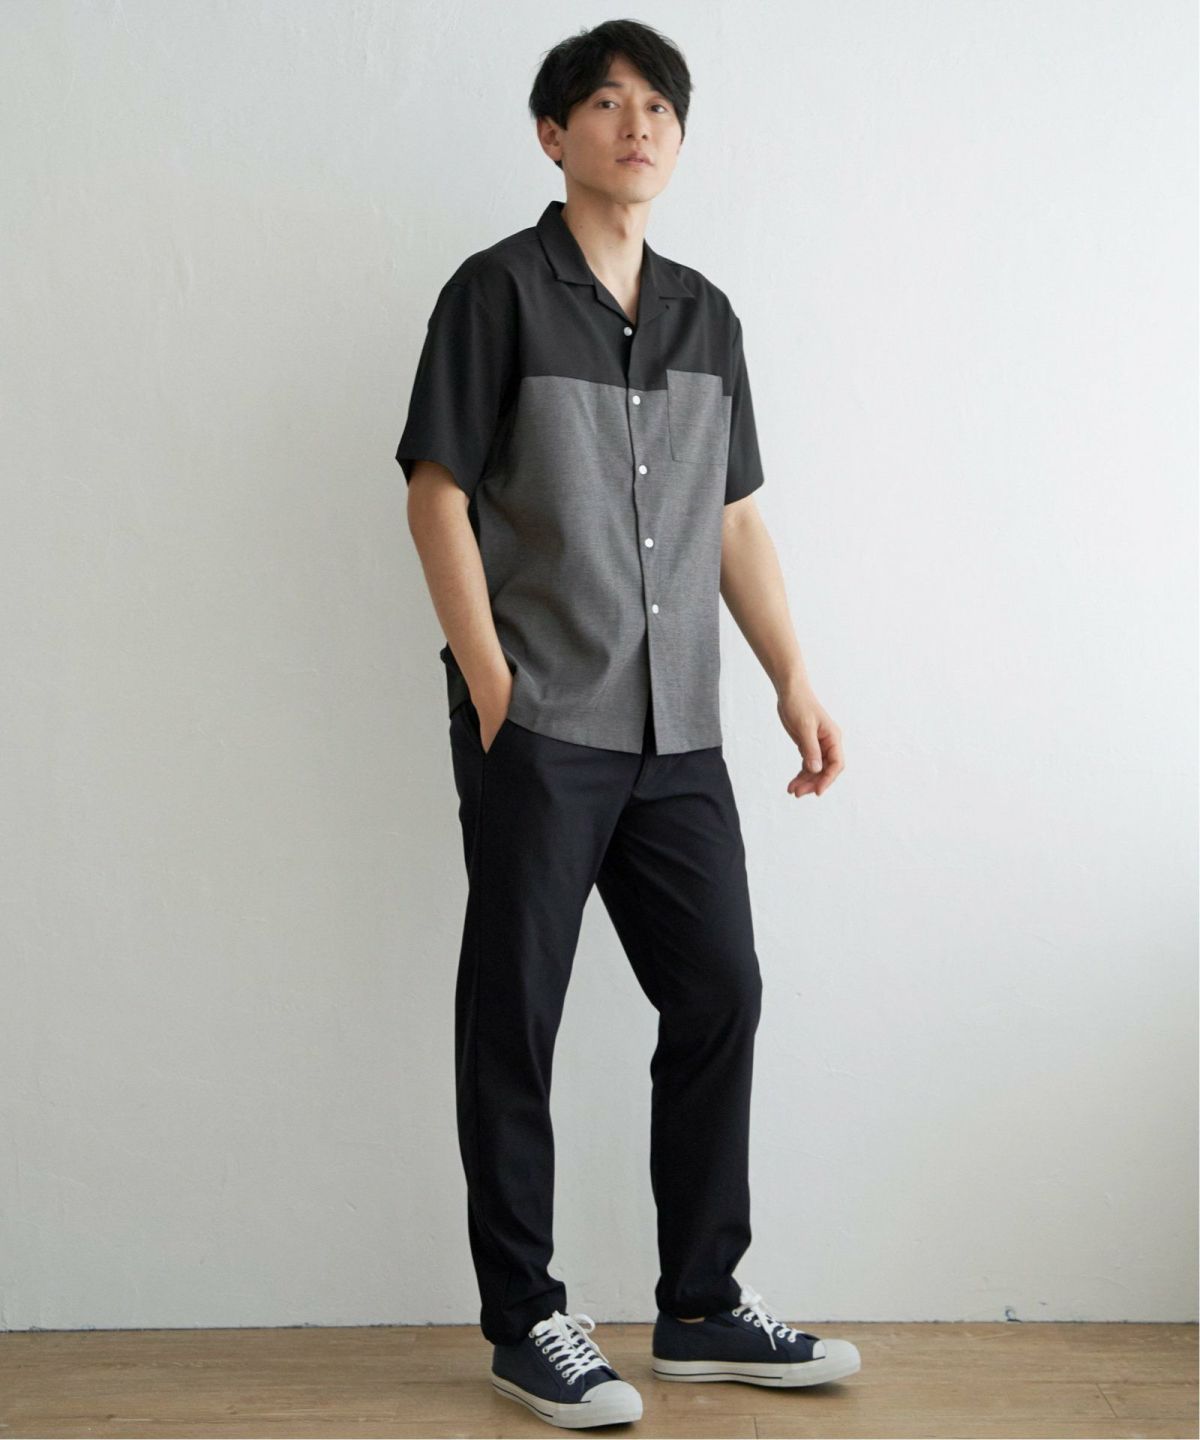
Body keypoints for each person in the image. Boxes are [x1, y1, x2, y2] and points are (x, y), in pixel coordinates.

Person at [396, 18, 856, 1429]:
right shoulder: (495, 293)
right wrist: (494, 688)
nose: (636, 123)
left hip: (680, 735)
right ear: (555, 135)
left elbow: (735, 518)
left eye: (658, 104)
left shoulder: (710, 316)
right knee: (516, 1017)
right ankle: (524, 1319)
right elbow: (435, 493)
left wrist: (790, 676)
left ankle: (702, 1307)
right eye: (604, 102)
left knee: (721, 990)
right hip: (544, 720)